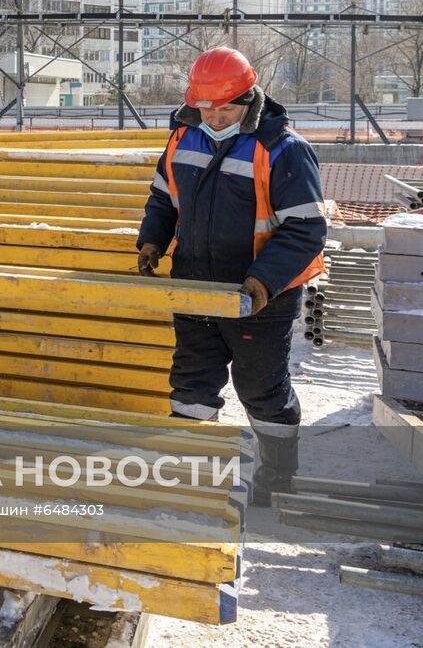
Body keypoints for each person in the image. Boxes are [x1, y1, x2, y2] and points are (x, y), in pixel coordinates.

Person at [135, 47, 327, 506]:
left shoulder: (283, 149)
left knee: (262, 391)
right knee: (191, 386)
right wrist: (152, 239)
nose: (216, 117)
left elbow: (307, 229)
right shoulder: (183, 138)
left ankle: (279, 477)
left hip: (261, 298)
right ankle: (190, 482)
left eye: (226, 108)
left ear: (250, 98)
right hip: (196, 288)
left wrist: (262, 281)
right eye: (207, 108)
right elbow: (163, 197)